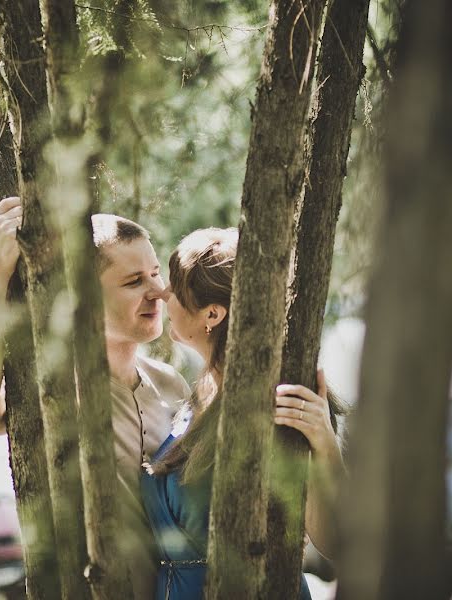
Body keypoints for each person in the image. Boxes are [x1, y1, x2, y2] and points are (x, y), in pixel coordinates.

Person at [0, 197, 191, 599]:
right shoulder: (56, 391)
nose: (159, 291)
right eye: (134, 282)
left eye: (155, 273)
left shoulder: (172, 385)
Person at [141, 227, 346, 600]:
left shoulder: (276, 402)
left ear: (212, 314)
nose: (163, 294)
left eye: (174, 286)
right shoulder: (197, 396)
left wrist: (324, 442)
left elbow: (336, 541)